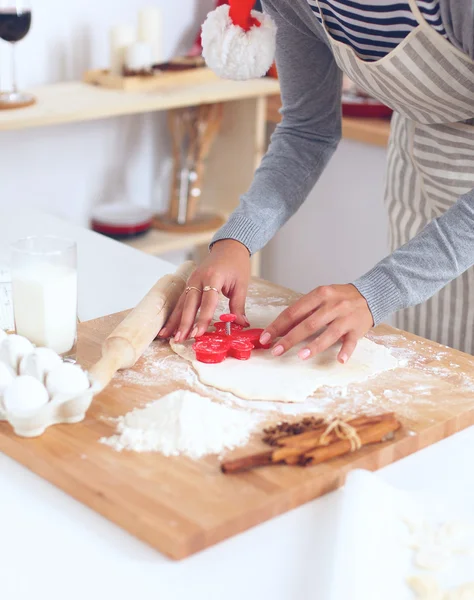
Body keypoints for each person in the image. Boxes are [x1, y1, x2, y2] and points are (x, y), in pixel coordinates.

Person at [160, 0, 474, 363]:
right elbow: (307, 130)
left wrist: (377, 290)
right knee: (435, 365)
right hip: (421, 161)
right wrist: (235, 241)